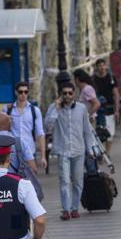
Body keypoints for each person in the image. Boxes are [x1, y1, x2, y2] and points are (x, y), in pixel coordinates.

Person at [45, 82, 95, 221]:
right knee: (64, 181)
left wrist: (90, 148)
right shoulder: (54, 108)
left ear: (74, 94)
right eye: (64, 93)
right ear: (60, 94)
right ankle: (66, 210)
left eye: (70, 93)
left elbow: (87, 129)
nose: (67, 96)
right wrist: (56, 109)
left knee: (78, 182)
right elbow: (48, 127)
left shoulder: (81, 108)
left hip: (79, 149)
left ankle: (75, 208)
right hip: (63, 150)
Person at [5, 82, 47, 171]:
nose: (23, 94)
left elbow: (40, 134)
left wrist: (43, 156)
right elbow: (2, 129)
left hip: (30, 151)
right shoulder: (8, 109)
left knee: (30, 179)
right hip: (12, 151)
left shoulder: (34, 110)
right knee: (13, 179)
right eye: (20, 92)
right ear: (16, 92)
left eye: (26, 92)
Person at [92, 59, 120, 154]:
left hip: (109, 108)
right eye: (100, 65)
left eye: (103, 65)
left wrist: (117, 110)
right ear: (96, 67)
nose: (102, 67)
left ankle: (107, 153)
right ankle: (100, 152)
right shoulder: (93, 79)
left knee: (110, 133)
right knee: (98, 132)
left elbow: (116, 94)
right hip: (97, 109)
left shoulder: (111, 78)